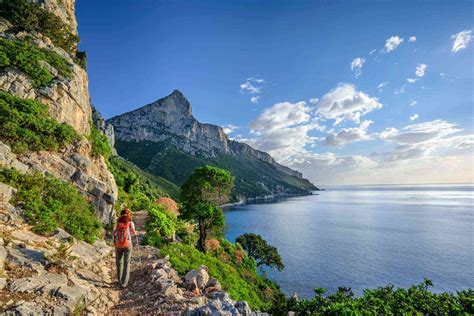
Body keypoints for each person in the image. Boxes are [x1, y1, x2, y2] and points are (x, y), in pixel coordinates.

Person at [113, 209, 136, 288]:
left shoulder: (117, 221)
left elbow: (113, 232)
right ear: (128, 214)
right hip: (128, 245)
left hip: (118, 245)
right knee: (127, 263)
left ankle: (119, 280)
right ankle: (124, 283)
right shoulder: (130, 222)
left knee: (119, 263)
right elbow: (133, 232)